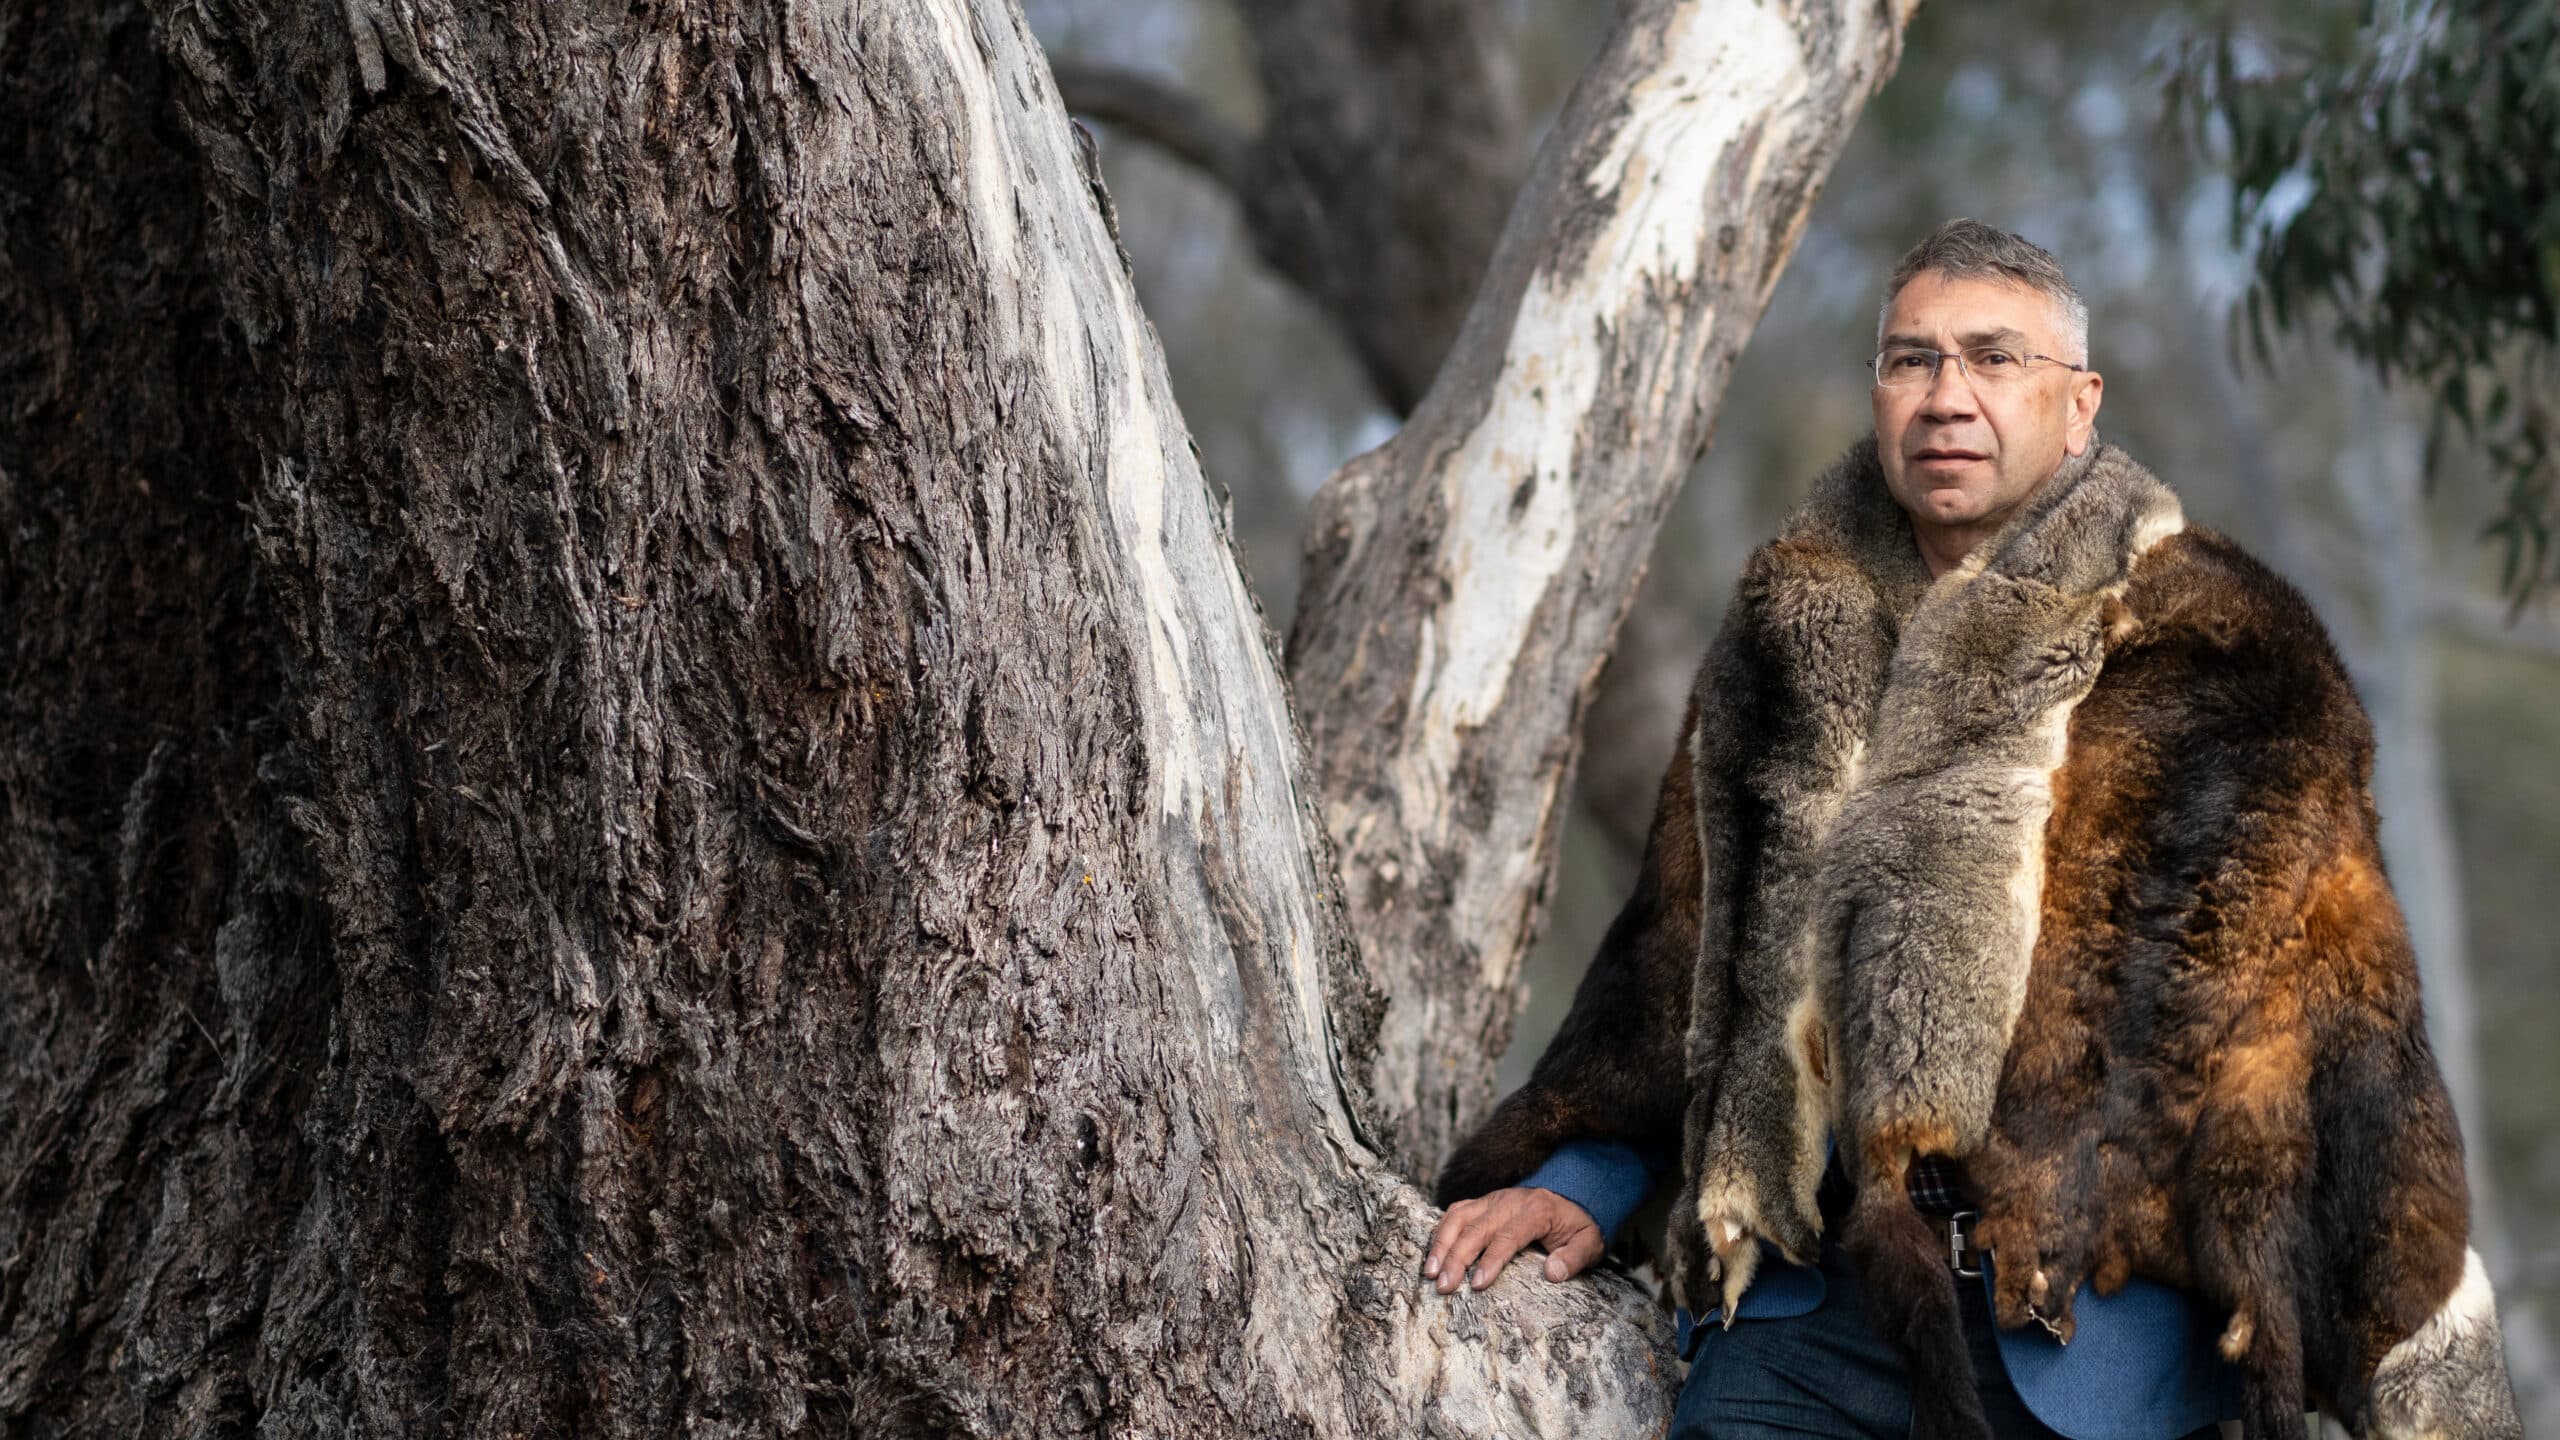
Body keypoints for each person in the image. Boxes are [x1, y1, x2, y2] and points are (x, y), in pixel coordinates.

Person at [1422, 220, 2523, 1440]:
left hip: (2100, 1354)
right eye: (1912, 361)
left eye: (1994, 359)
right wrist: (1583, 1177)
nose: (1947, 396)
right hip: (1816, 1332)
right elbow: (1680, 965)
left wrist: (2416, 1366)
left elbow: (2345, 1035)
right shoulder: (1788, 636)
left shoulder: (2226, 659)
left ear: (2079, 402)